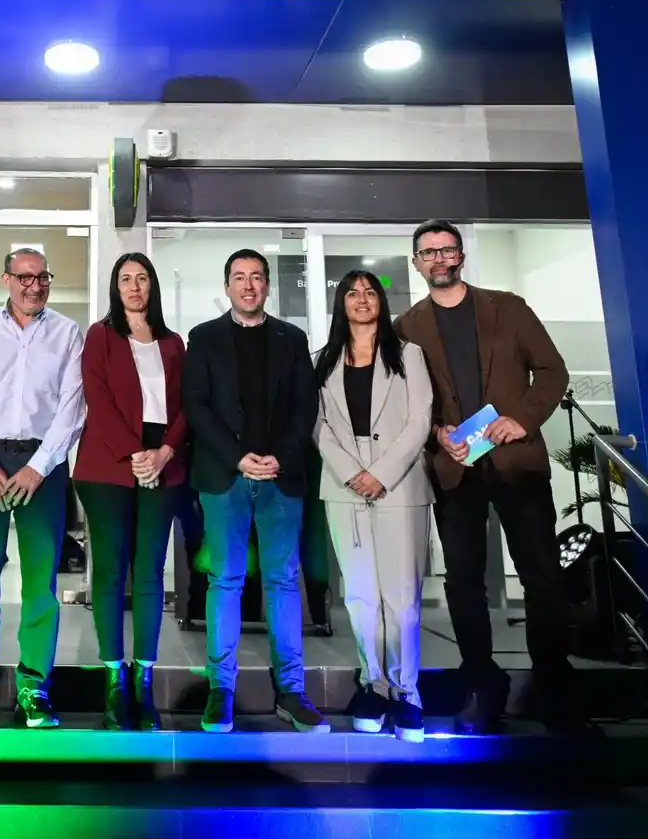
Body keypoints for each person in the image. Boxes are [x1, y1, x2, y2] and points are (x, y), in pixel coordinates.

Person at [395, 219, 579, 734]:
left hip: (515, 460)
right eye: (427, 253)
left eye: (446, 249)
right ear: (416, 263)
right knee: (463, 581)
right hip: (456, 467)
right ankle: (481, 678)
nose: (438, 259)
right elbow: (403, 401)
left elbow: (552, 370)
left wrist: (521, 417)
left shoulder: (508, 307)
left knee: (542, 576)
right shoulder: (407, 326)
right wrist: (435, 432)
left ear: (460, 256)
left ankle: (553, 683)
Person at [183, 249, 327, 735]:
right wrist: (238, 457)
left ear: (267, 286)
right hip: (225, 478)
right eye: (239, 278)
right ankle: (220, 689)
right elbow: (196, 407)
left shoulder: (292, 338)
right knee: (224, 580)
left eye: (257, 278)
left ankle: (292, 691)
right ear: (227, 287)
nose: (249, 285)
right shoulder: (202, 338)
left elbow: (304, 407)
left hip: (280, 478)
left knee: (284, 581)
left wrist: (280, 457)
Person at [0, 248, 86, 729]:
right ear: (6, 279)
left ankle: (33, 688)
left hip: (42, 468)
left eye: (42, 276)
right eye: (25, 277)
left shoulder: (68, 333)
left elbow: (72, 408)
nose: (35, 285)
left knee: (41, 583)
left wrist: (38, 467)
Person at [313, 270, 434, 742]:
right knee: (360, 596)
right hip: (344, 487)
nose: (361, 299)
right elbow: (318, 426)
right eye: (351, 293)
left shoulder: (409, 355)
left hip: (399, 485)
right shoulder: (322, 360)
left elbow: (420, 419)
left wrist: (379, 473)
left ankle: (407, 691)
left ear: (381, 302)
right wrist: (352, 473)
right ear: (341, 304)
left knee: (401, 597)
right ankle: (374, 682)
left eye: (369, 292)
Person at [74, 253, 188, 731]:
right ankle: (114, 681)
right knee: (110, 570)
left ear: (153, 286)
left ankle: (143, 678)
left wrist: (162, 452)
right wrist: (135, 453)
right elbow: (96, 399)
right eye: (126, 279)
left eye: (142, 278)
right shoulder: (100, 336)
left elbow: (188, 405)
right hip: (107, 464)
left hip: (164, 459)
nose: (135, 287)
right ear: (115, 288)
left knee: (148, 573)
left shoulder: (173, 342)